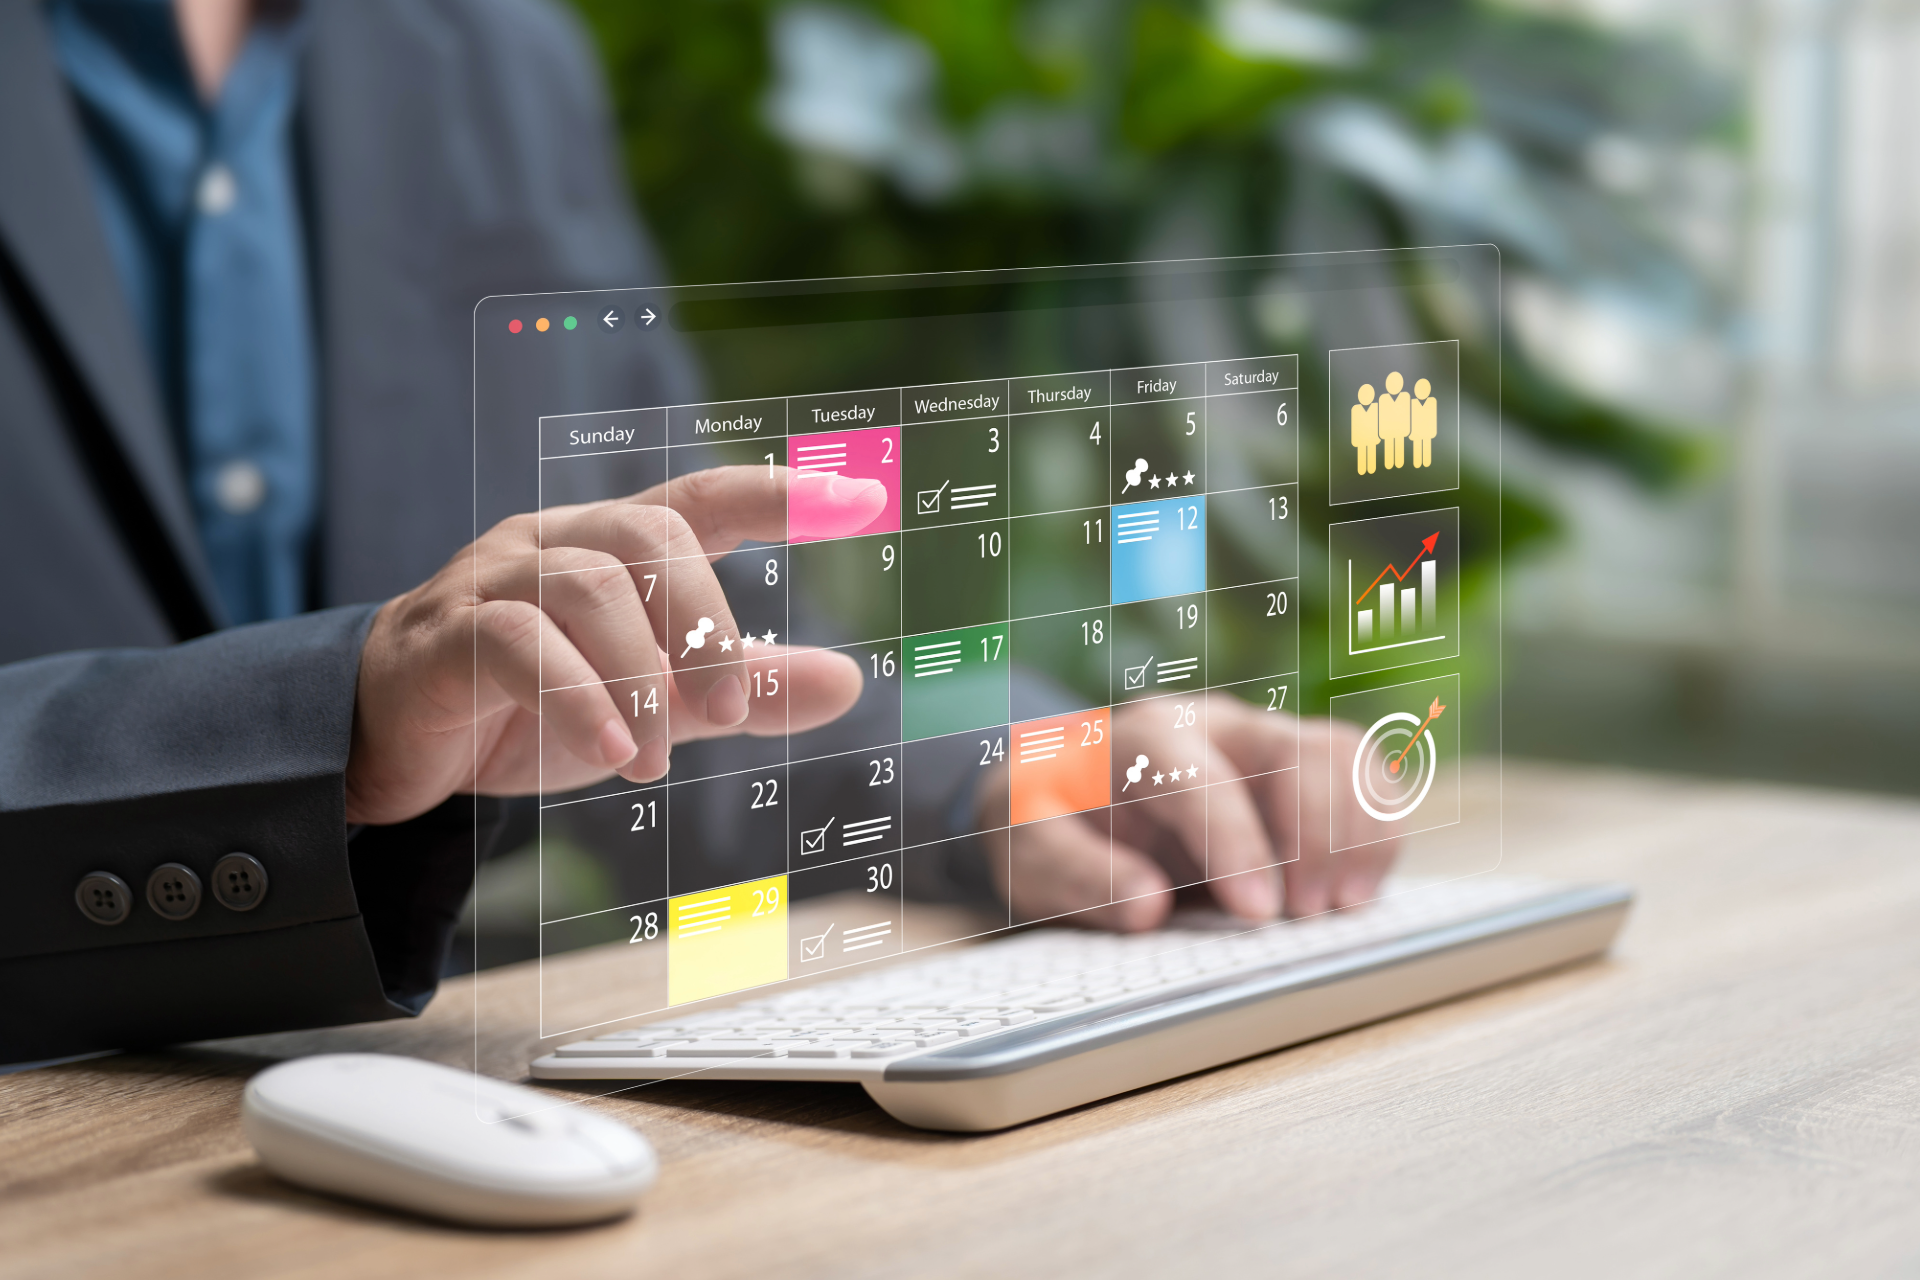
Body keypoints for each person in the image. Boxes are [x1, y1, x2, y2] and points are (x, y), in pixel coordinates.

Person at [0, 0, 1395, 1064]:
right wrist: (328, 723)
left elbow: (693, 648)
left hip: (389, 1115)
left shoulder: (495, 50)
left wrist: (1009, 772)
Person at [1378, 371, 1411, 469]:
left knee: (1400, 456)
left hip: (1401, 431)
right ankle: (1389, 468)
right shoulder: (1383, 398)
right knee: (1388, 456)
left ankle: (1400, 468)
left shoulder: (1405, 397)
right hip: (1387, 431)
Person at [1351, 383, 1379, 475]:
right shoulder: (1356, 409)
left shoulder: (1375, 408)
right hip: (1360, 440)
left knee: (1371, 462)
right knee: (1361, 461)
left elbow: (1376, 424)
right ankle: (1362, 472)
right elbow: (1354, 425)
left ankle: (1371, 472)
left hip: (1372, 439)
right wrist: (1355, 440)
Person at [1411, 376, 1438, 468]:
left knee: (1426, 455)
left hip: (1427, 434)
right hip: (1416, 433)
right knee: (1416, 454)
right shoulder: (1413, 402)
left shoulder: (1432, 401)